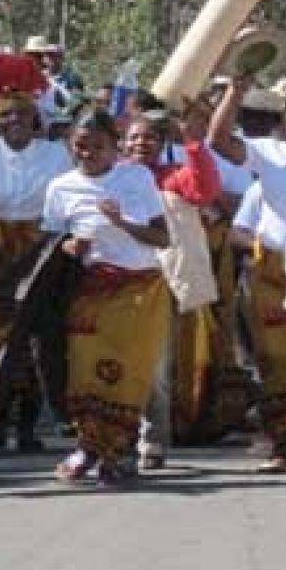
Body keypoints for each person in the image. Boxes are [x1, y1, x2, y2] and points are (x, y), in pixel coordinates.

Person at [43, 108, 171, 487]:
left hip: (138, 289)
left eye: (97, 146)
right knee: (85, 371)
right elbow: (52, 244)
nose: (88, 153)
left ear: (115, 146)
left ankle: (120, 451)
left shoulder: (136, 177)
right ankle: (89, 446)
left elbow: (162, 239)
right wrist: (71, 247)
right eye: (80, 146)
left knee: (127, 374)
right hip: (90, 290)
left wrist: (122, 223)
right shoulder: (60, 188)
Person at [209, 77, 286, 470]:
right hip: (273, 274)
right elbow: (217, 140)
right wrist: (235, 91)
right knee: (276, 360)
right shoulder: (269, 152)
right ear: (285, 117)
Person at [0, 91, 72, 449]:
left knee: (38, 338)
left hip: (43, 247)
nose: (15, 120)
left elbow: (67, 201)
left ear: (36, 118)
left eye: (23, 113)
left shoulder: (56, 154)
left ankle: (28, 425)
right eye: (6, 114)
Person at [121, 107, 221, 467]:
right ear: (122, 143)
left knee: (155, 365)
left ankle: (152, 440)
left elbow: (207, 188)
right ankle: (112, 433)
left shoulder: (173, 179)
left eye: (149, 137)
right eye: (134, 137)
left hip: (161, 283)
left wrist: (193, 142)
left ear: (163, 144)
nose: (141, 143)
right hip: (114, 283)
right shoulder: (112, 181)